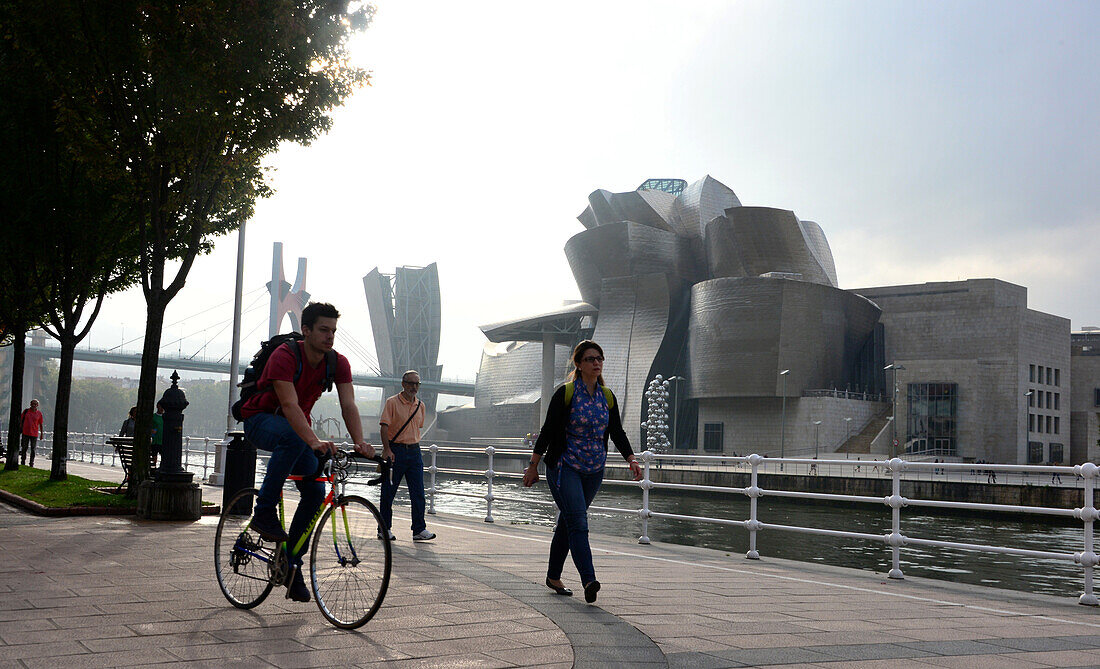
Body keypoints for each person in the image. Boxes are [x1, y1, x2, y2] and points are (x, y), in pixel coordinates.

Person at [238, 301, 376, 602]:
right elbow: (288, 405)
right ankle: (263, 512)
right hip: (260, 420)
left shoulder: (337, 363)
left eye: (334, 331)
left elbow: (349, 405)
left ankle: (290, 562)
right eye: (323, 330)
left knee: (315, 493)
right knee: (293, 437)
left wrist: (359, 441)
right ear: (306, 331)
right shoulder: (285, 355)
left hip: (297, 431)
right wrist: (314, 440)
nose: (330, 336)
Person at [523, 340, 642, 604]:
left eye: (599, 358)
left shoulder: (607, 396)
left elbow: (617, 432)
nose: (596, 363)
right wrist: (533, 465)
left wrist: (631, 459)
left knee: (568, 521)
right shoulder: (565, 393)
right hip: (565, 466)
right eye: (590, 359)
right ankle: (589, 579)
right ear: (578, 364)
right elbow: (548, 431)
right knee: (578, 522)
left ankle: (553, 576)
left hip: (594, 469)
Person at [378, 370, 436, 542]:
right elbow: (384, 427)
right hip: (396, 451)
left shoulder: (421, 405)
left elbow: (417, 427)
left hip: (415, 452)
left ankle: (419, 529)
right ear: (403, 384)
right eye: (411, 383)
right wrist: (387, 450)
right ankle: (384, 528)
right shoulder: (392, 402)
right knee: (389, 492)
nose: (414, 387)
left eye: (417, 384)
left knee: (418, 492)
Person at [19, 399, 44, 466]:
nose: (34, 405)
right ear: (30, 404)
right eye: (33, 404)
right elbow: (21, 421)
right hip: (25, 432)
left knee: (33, 449)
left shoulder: (39, 414)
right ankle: (23, 461)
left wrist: (41, 434)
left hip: (34, 433)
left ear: (37, 405)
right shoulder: (26, 411)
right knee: (24, 448)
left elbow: (41, 424)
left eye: (35, 404)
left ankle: (31, 463)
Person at [150, 401, 165, 468]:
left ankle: (161, 467)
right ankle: (154, 467)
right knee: (154, 455)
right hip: (155, 440)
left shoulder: (165, 417)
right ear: (157, 406)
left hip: (163, 440)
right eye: (160, 406)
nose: (161, 408)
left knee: (164, 456)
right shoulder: (153, 417)